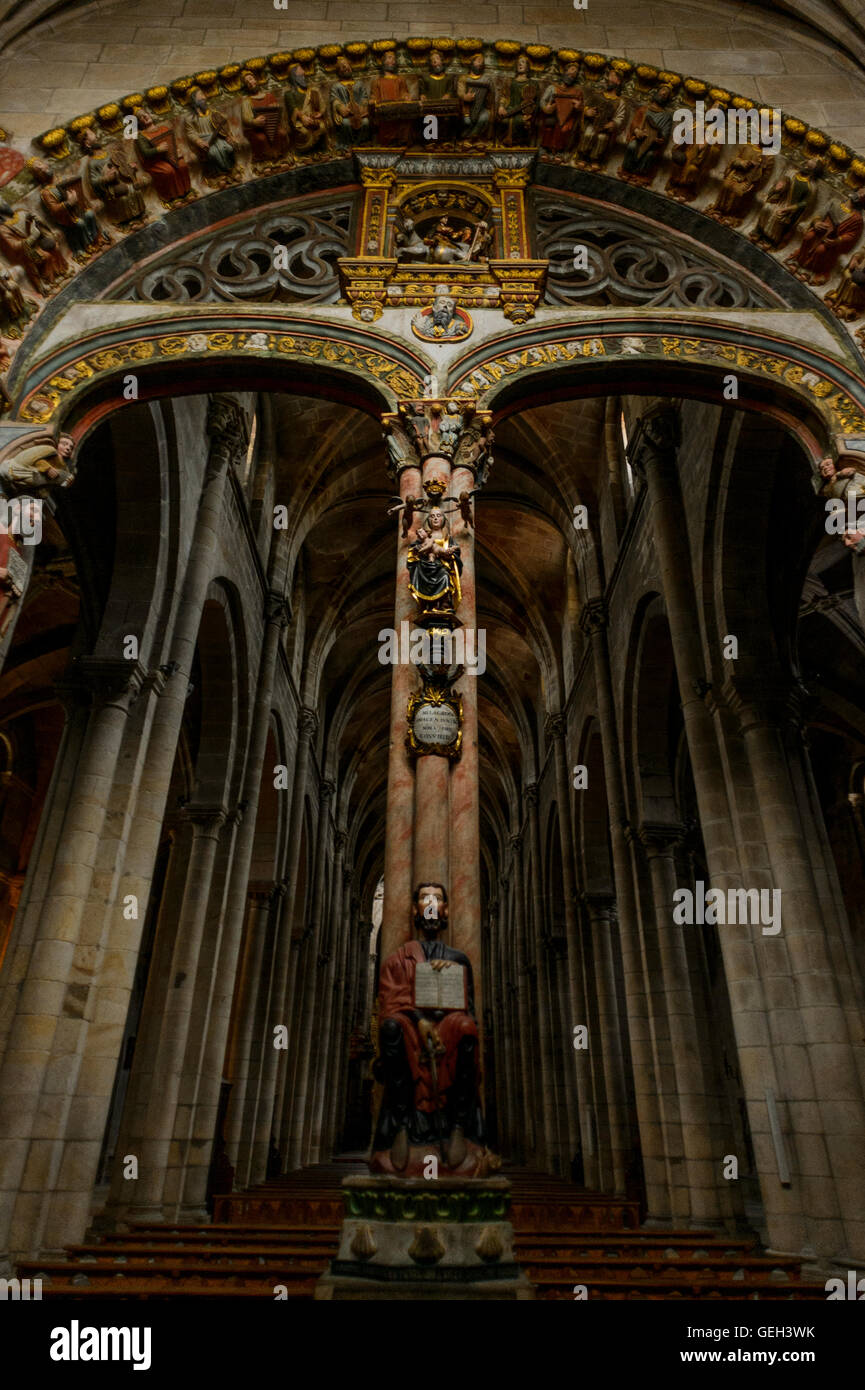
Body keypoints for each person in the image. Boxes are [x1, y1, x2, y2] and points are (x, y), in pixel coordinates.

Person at [372, 883, 484, 1173]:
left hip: (447, 1029)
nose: (431, 904)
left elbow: (467, 1007)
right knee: (391, 1028)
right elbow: (388, 1003)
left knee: (467, 1028)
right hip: (410, 1030)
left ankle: (458, 1126)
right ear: (413, 909)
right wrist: (421, 1021)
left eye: (437, 899)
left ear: (446, 909)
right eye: (424, 899)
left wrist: (448, 979)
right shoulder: (399, 959)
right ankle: (401, 1126)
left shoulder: (458, 959)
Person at [407, 507, 462, 617]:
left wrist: (450, 555)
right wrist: (418, 551)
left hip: (442, 567)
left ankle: (444, 605)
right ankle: (429, 605)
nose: (435, 519)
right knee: (420, 571)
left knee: (445, 577)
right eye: (432, 516)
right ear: (428, 520)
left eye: (438, 516)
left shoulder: (447, 538)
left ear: (443, 519)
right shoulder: (425, 538)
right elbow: (413, 551)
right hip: (425, 567)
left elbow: (455, 554)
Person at [135, 108, 192, 203]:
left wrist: (177, 151)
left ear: (149, 114)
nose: (145, 116)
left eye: (145, 114)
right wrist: (157, 149)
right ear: (139, 122)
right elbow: (145, 152)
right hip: (155, 162)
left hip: (170, 157)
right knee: (168, 171)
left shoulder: (164, 128)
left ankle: (187, 191)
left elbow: (173, 143)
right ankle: (173, 197)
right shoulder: (142, 136)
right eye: (141, 117)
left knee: (182, 165)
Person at [184, 87, 237, 182]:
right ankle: (218, 175)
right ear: (194, 100)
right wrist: (198, 141)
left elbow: (223, 125)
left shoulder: (213, 112)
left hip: (217, 138)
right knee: (213, 153)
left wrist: (228, 135)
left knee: (229, 148)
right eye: (201, 96)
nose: (204, 98)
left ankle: (232, 170)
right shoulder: (190, 118)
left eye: (204, 96)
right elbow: (190, 132)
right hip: (205, 142)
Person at [240, 69, 289, 164]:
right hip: (256, 130)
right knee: (261, 139)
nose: (250, 83)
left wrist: (276, 109)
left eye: (251, 79)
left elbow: (279, 113)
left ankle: (280, 157)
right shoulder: (246, 100)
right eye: (247, 82)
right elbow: (246, 118)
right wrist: (254, 121)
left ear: (256, 80)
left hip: (272, 126)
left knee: (282, 133)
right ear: (246, 86)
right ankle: (264, 161)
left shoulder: (269, 96)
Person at [330, 56, 369, 149]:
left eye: (347, 65)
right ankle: (348, 145)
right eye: (342, 67)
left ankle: (362, 143)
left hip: (358, 113)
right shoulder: (336, 86)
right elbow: (334, 99)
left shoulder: (359, 84)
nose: (345, 68)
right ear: (339, 71)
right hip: (347, 115)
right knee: (346, 124)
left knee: (366, 122)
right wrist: (341, 107)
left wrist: (362, 107)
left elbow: (364, 97)